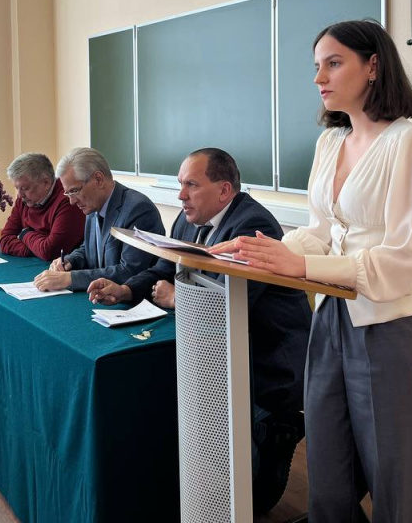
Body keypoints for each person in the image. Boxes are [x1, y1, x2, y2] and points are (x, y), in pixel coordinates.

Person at [212, 20, 412, 523]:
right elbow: (320, 230)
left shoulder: (411, 142)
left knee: (395, 480)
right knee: (329, 469)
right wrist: (259, 251)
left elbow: (401, 261)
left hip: (390, 324)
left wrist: (300, 264)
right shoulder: (330, 143)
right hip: (330, 316)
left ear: (373, 65)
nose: (319, 78)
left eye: (334, 63)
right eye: (317, 66)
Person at [88, 148, 311, 512]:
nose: (181, 195)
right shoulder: (188, 219)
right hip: (219, 355)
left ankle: (277, 434)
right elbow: (164, 267)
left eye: (191, 185)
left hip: (266, 369)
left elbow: (234, 302)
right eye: (180, 184)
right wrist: (127, 289)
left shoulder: (253, 227)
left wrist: (178, 298)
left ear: (224, 190)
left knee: (254, 502)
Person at [33, 147, 163, 292]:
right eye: (68, 193)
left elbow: (129, 272)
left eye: (74, 191)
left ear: (98, 179)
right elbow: (89, 249)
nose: (72, 201)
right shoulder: (93, 205)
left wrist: (70, 279)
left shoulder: (138, 209)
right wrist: (70, 260)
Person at [0, 152, 86, 261]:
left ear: (46, 182)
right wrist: (36, 249)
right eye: (17, 188)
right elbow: (5, 240)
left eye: (25, 188)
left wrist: (24, 234)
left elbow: (51, 251)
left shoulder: (68, 199)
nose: (20, 195)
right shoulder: (24, 200)